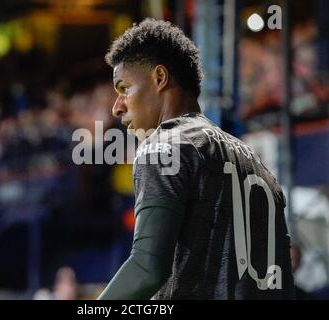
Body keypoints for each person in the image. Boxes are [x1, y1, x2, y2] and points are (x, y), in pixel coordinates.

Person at [97, 18, 294, 300]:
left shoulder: (164, 146)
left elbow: (147, 268)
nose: (117, 107)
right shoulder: (257, 164)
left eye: (123, 88)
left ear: (160, 78)